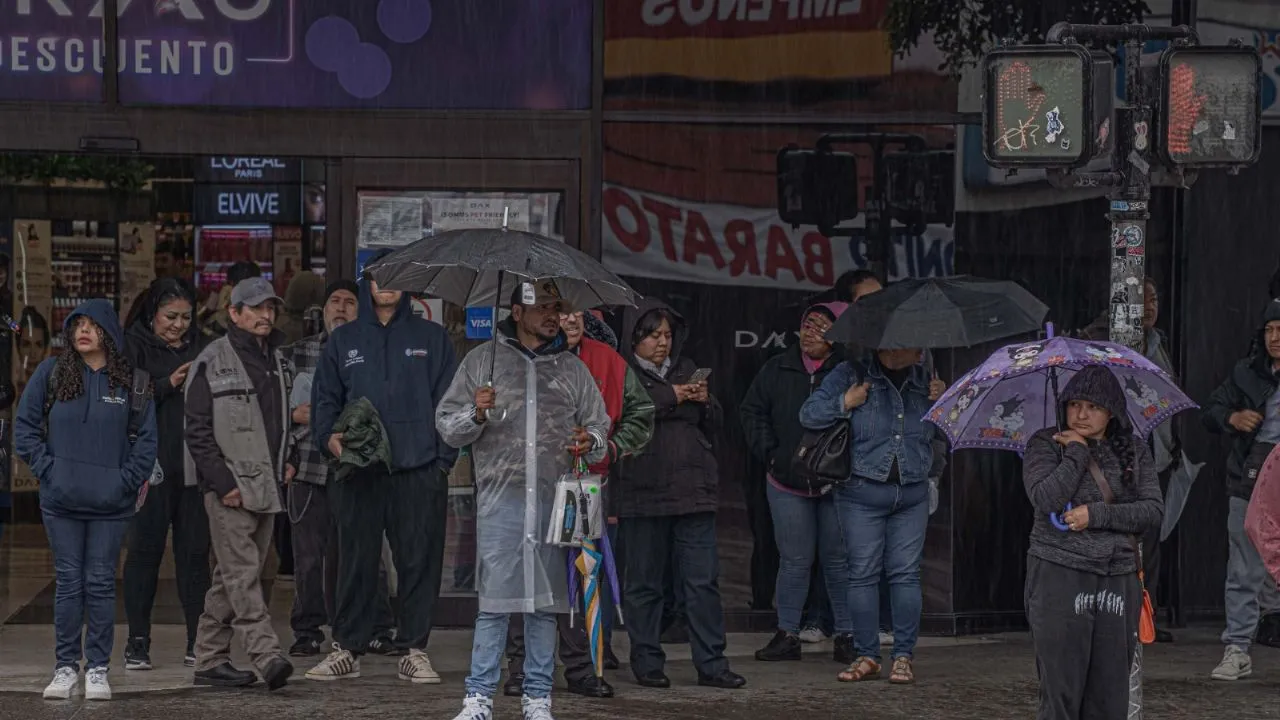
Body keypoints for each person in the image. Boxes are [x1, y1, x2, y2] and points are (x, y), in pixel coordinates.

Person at [436, 280, 611, 720]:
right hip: (502, 503)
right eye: (543, 306)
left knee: (545, 606)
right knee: (493, 604)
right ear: (516, 310)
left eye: (558, 306)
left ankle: (538, 698)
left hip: (557, 504)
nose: (553, 314)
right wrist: (476, 412)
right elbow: (447, 426)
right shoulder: (483, 362)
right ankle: (478, 698)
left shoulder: (572, 371)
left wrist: (586, 439)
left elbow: (600, 430)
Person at [306, 249, 457, 683]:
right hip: (358, 473)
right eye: (378, 276)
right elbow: (324, 401)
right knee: (355, 563)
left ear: (408, 283)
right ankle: (346, 649)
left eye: (397, 275)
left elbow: (449, 404)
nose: (387, 283)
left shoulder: (433, 338)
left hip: (419, 470)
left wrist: (441, 462)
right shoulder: (344, 340)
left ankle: (414, 649)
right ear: (366, 284)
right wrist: (328, 440)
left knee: (417, 563)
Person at [504, 307, 655, 699]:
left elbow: (642, 413)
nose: (567, 319)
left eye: (575, 313)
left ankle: (581, 668)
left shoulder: (609, 361)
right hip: (528, 483)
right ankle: (519, 668)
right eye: (558, 311)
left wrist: (614, 446)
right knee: (526, 575)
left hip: (582, 484)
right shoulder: (525, 359)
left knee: (581, 571)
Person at [15, 300, 158, 701]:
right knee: (68, 583)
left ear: (110, 332)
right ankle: (65, 667)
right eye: (78, 323)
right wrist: (49, 470)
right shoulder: (50, 373)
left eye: (93, 325)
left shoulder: (133, 382)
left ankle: (97, 668)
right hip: (61, 501)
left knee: (99, 583)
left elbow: (146, 444)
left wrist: (124, 482)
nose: (83, 330)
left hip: (110, 504)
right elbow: (24, 430)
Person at [614, 299, 746, 691]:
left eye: (668, 335)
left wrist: (704, 402)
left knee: (702, 581)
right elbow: (625, 412)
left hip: (693, 489)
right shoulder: (623, 372)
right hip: (641, 489)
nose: (662, 343)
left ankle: (712, 663)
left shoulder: (689, 369)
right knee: (644, 583)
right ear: (635, 337)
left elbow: (718, 423)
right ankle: (647, 660)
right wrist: (673, 397)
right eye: (653, 335)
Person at [798, 341, 946, 684]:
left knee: (905, 574)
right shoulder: (850, 372)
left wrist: (944, 403)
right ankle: (866, 655)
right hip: (861, 490)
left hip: (912, 490)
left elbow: (945, 432)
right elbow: (808, 413)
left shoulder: (927, 379)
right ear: (891, 348)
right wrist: (845, 403)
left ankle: (903, 656)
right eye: (915, 348)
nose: (921, 353)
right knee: (862, 573)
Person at [1021, 366, 1163, 719]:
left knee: (1109, 692)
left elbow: (1151, 511)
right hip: (1059, 572)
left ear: (1111, 411)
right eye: (1075, 405)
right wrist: (1077, 453)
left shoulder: (1135, 450)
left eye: (1093, 407)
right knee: (1061, 690)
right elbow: (1045, 498)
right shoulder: (1045, 444)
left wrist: (1095, 515)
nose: (1081, 415)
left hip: (1118, 577)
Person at [185, 277, 296, 691]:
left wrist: (291, 459)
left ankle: (210, 658)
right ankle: (266, 654)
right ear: (234, 313)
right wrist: (221, 482)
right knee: (244, 574)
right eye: (256, 308)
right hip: (230, 489)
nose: (266, 315)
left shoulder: (278, 360)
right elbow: (196, 430)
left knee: (230, 577)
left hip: (268, 486)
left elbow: (283, 422)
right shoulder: (211, 359)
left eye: (270, 308)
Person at [283, 280, 399, 656]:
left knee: (366, 552)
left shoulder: (370, 349)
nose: (341, 308)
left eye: (350, 302)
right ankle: (307, 629)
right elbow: (274, 409)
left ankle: (378, 625)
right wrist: (291, 425)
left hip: (358, 468)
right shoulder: (296, 353)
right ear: (322, 309)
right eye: (335, 301)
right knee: (309, 558)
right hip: (308, 468)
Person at [740, 302, 854, 664]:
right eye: (808, 324)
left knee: (837, 561)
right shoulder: (777, 367)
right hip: (786, 480)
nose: (811, 332)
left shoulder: (850, 372)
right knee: (794, 560)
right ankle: (787, 633)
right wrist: (771, 453)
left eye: (822, 326)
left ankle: (848, 635)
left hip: (835, 482)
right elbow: (752, 412)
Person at [122, 279, 211, 671]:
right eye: (170, 317)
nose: (178, 325)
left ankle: (199, 639)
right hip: (149, 469)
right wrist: (167, 384)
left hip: (194, 469)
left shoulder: (204, 346)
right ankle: (137, 641)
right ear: (152, 313)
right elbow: (123, 400)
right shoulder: (131, 345)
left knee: (194, 556)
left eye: (186, 317)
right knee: (144, 553)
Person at [1204, 299, 1280, 681]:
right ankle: (1237, 647)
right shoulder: (1246, 373)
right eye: (1269, 330)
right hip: (1251, 475)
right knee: (1243, 566)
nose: (1275, 337)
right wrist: (1232, 417)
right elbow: (1211, 410)